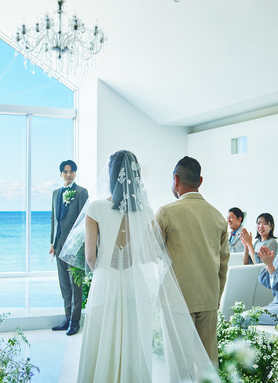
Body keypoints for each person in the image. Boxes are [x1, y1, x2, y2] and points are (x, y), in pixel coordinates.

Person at [60, 151, 212, 382]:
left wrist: (104, 271)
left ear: (111, 175)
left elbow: (90, 257)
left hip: (105, 282)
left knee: (103, 340)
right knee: (132, 340)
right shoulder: (147, 211)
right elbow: (147, 255)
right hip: (135, 283)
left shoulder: (95, 208)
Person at [156, 156, 229, 365]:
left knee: (179, 365)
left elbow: (148, 252)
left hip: (176, 299)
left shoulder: (166, 213)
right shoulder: (218, 216)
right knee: (208, 363)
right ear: (200, 181)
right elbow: (223, 263)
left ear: (176, 180)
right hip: (208, 298)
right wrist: (216, 297)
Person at [49, 160, 88, 336]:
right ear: (61, 174)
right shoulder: (55, 193)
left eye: (71, 171)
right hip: (58, 245)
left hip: (74, 245)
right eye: (65, 172)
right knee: (64, 283)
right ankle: (67, 317)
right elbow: (54, 220)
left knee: (75, 284)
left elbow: (84, 220)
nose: (68, 174)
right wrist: (52, 243)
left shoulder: (81, 192)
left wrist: (81, 244)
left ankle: (75, 320)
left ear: (75, 173)